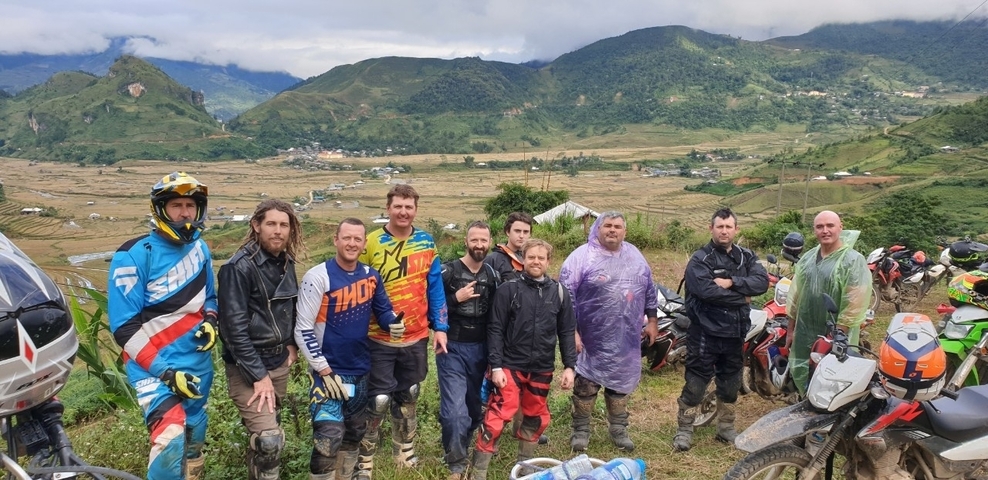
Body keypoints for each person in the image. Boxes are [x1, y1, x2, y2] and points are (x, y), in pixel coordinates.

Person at [108, 172, 217, 480]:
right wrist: (166, 373)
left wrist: (211, 319)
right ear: (160, 209)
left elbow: (210, 296)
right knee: (169, 437)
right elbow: (124, 328)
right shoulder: (132, 256)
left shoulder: (201, 249)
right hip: (153, 367)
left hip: (196, 362)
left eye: (190, 206)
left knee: (194, 434)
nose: (185, 213)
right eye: (176, 206)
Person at [295, 218, 404, 480]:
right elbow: (302, 328)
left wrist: (393, 324)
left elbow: (384, 312)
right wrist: (323, 369)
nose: (352, 243)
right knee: (328, 437)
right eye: (347, 238)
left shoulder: (371, 276)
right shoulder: (317, 276)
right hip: (327, 373)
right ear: (336, 240)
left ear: (364, 243)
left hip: (359, 370)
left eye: (357, 239)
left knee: (354, 434)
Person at [355, 184, 449, 480]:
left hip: (416, 335)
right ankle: (364, 459)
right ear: (388, 208)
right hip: (377, 336)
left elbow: (435, 288)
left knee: (409, 394)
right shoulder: (370, 243)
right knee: (377, 400)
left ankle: (404, 451)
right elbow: (358, 288)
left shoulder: (426, 242)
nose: (403, 212)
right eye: (398, 206)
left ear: (416, 210)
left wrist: (441, 327)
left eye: (409, 207)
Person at [468, 238, 577, 480]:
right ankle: (478, 471)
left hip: (542, 367)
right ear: (522, 259)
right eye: (531, 257)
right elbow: (495, 329)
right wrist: (495, 366)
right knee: (499, 414)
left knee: (535, 416)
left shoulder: (559, 292)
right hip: (509, 365)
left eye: (541, 257)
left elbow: (567, 331)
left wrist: (570, 367)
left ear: (548, 261)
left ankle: (525, 471)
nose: (536, 261)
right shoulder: (509, 289)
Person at [217, 199, 304, 480]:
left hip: (278, 360)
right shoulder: (237, 268)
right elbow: (232, 330)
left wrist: (290, 343)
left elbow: (288, 306)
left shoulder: (285, 262)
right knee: (269, 439)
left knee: (270, 430)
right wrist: (257, 375)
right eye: (271, 224)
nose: (277, 231)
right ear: (256, 226)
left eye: (283, 225)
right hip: (248, 367)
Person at [559, 212, 659, 453]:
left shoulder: (634, 255)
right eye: (607, 226)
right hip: (591, 339)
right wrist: (572, 332)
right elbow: (565, 297)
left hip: (626, 338)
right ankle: (581, 430)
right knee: (585, 386)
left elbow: (649, 288)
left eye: (617, 226)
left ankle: (618, 429)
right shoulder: (581, 258)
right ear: (597, 228)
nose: (612, 230)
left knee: (620, 387)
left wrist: (653, 320)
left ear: (624, 231)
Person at [673, 208, 768, 452]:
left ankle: (725, 428)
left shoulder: (746, 256)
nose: (724, 231)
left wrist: (733, 282)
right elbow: (706, 292)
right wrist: (744, 298)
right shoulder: (700, 259)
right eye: (719, 227)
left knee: (730, 382)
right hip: (705, 332)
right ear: (711, 229)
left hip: (736, 333)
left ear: (736, 229)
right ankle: (684, 429)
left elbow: (761, 282)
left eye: (728, 227)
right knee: (696, 382)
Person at [438, 221, 500, 480]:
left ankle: (461, 443)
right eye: (474, 240)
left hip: (481, 350)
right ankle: (456, 464)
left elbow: (497, 317)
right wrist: (455, 299)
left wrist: (496, 356)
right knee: (455, 411)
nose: (479, 245)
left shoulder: (492, 276)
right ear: (466, 241)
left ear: (489, 242)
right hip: (451, 347)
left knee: (474, 408)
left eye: (483, 240)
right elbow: (431, 308)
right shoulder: (448, 272)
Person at [787, 210, 872, 396]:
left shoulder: (852, 260)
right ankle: (804, 402)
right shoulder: (808, 259)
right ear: (814, 230)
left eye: (830, 226)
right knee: (804, 372)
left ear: (840, 227)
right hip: (805, 329)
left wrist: (837, 337)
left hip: (835, 333)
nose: (825, 230)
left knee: (831, 380)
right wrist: (791, 329)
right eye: (820, 226)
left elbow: (853, 305)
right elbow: (796, 296)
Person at [486, 212, 532, 281]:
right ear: (508, 231)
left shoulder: (534, 259)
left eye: (525, 232)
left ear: (530, 234)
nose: (521, 236)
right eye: (517, 231)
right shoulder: (492, 260)